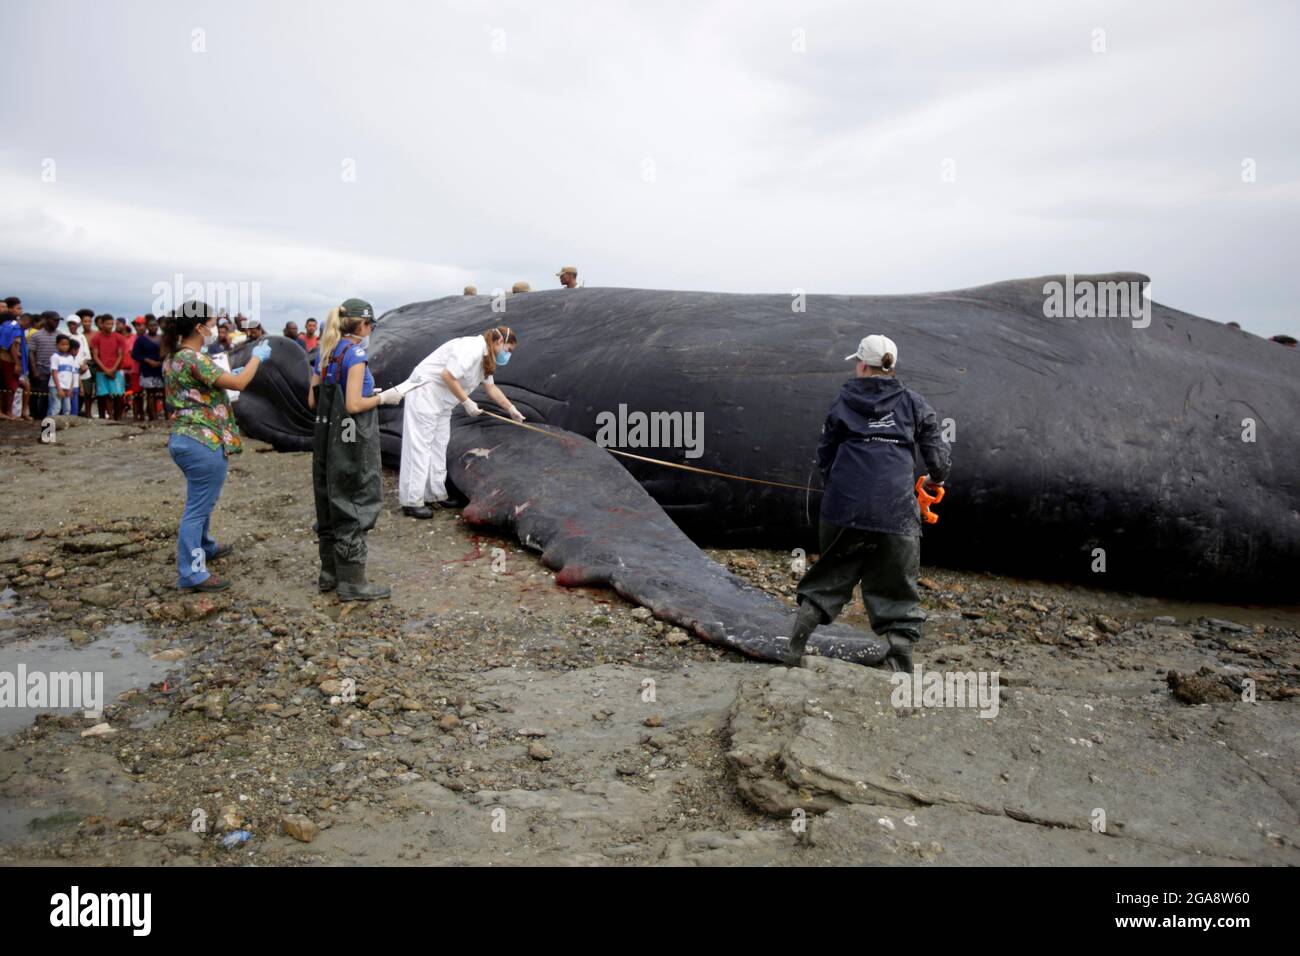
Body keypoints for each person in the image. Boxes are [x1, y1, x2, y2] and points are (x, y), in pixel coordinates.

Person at [784, 334, 952, 672]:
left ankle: (794, 649)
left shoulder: (841, 402)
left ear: (862, 364)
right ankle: (900, 660)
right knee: (897, 588)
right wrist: (936, 479)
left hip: (842, 508)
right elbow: (938, 458)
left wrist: (838, 491)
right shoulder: (915, 403)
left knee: (828, 577)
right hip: (896, 512)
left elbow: (824, 457)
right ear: (891, 366)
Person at [162, 301, 272, 592]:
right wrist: (257, 358)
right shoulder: (194, 359)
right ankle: (192, 571)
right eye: (211, 324)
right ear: (198, 328)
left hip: (183, 437)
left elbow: (207, 384)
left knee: (201, 499)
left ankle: (205, 546)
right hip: (203, 440)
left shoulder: (174, 358)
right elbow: (238, 384)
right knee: (198, 507)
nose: (214, 329)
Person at [307, 298, 397, 600]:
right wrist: (385, 398)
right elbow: (354, 404)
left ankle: (329, 573)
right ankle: (353, 582)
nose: (370, 329)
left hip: (326, 435)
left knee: (330, 496)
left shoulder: (326, 353)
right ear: (362, 324)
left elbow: (312, 401)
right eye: (370, 325)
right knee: (355, 497)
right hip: (351, 435)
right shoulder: (355, 354)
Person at [394, 325, 523, 518]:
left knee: (439, 445)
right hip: (425, 394)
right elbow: (448, 375)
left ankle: (435, 494)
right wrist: (467, 402)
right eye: (508, 350)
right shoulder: (471, 348)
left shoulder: (486, 358)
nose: (508, 355)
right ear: (499, 342)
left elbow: (491, 389)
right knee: (420, 446)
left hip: (443, 402)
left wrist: (511, 409)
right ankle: (412, 500)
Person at [91, 314, 127, 420]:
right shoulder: (96, 338)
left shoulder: (119, 337)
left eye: (112, 324)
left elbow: (121, 355)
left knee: (118, 395)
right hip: (101, 371)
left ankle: (118, 418)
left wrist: (113, 369)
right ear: (101, 324)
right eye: (107, 324)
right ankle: (102, 418)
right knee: (102, 396)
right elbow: (95, 356)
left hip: (117, 370)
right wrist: (106, 370)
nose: (110, 326)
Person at [28, 312, 62, 420]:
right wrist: (34, 370)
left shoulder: (59, 335)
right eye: (54, 320)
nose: (57, 323)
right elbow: (31, 353)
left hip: (55, 370)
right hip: (41, 367)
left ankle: (49, 417)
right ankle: (36, 415)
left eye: (58, 321)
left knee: (52, 395)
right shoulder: (36, 335)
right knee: (39, 393)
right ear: (47, 320)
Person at [132, 315, 164, 420]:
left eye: (155, 325)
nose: (153, 327)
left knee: (160, 393)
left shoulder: (162, 339)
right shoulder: (141, 339)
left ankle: (164, 415)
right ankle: (153, 416)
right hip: (147, 369)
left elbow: (166, 352)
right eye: (151, 325)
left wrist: (160, 362)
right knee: (150, 393)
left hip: (159, 369)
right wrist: (148, 360)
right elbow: (135, 354)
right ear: (147, 326)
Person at [0, 299, 24, 420]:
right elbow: (11, 345)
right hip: (7, 360)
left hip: (7, 359)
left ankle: (9, 412)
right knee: (9, 386)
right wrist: (17, 362)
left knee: (9, 386)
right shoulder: (12, 326)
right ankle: (8, 412)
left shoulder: (7, 326)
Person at [71, 309, 95, 415]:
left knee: (95, 392)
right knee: (84, 390)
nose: (88, 324)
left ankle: (91, 412)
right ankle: (84, 412)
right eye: (85, 321)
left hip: (96, 365)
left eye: (89, 321)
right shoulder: (79, 336)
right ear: (81, 322)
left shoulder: (96, 334)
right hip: (82, 366)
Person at [49, 334, 78, 415]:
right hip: (56, 386)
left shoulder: (71, 358)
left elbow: (72, 375)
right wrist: (59, 388)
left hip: (67, 387)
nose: (65, 346)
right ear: (57, 345)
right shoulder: (55, 357)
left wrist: (71, 388)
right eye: (62, 344)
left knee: (67, 408)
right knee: (56, 407)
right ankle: (50, 424)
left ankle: (65, 425)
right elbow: (54, 373)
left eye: (67, 344)